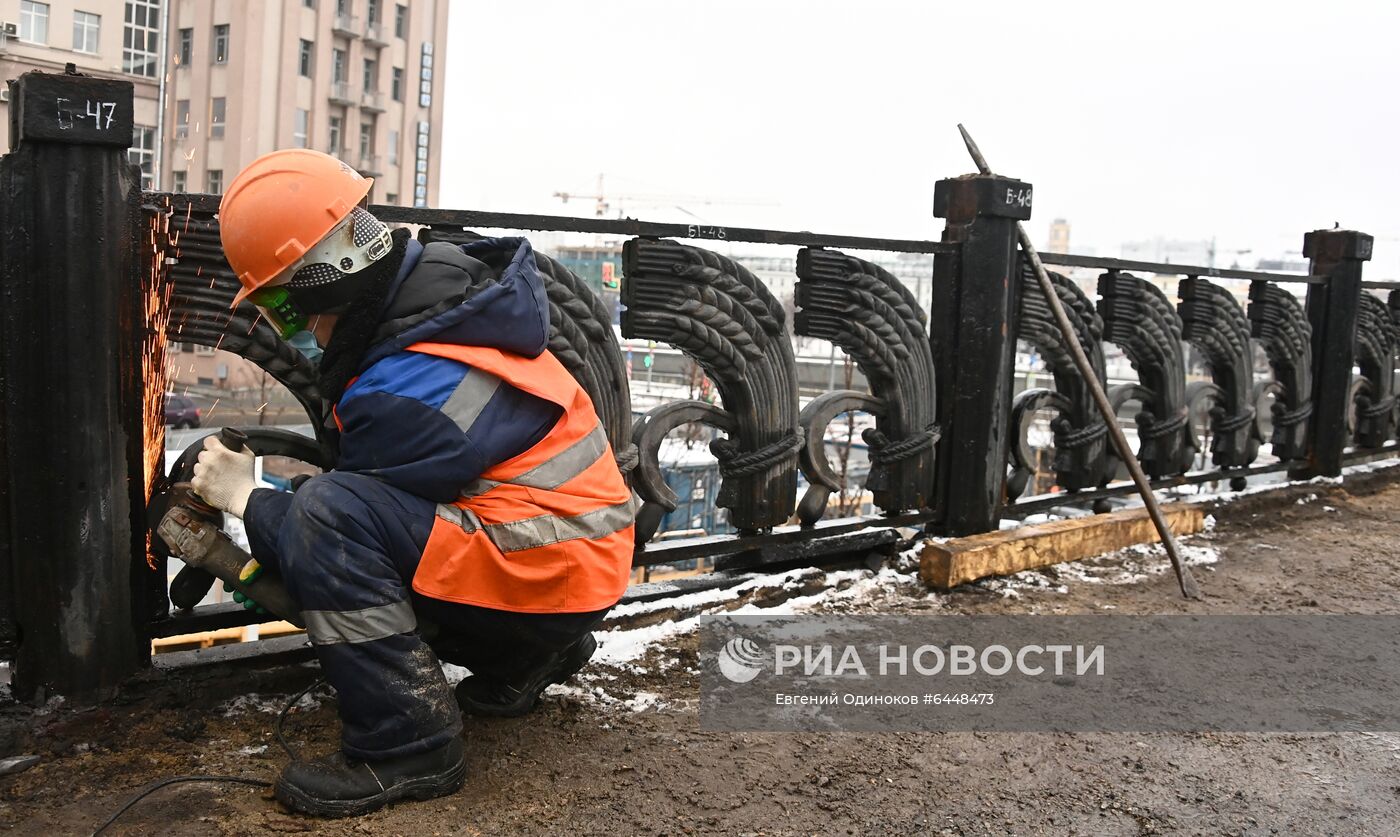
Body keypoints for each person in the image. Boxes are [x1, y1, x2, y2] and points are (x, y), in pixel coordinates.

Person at [191, 149, 636, 818]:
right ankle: (526, 660)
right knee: (355, 523)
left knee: (324, 522)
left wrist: (243, 496)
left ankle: (407, 744)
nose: (297, 330)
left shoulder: (405, 386)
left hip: (551, 577)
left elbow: (338, 529)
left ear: (325, 280)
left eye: (284, 308)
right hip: (579, 565)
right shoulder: (445, 308)